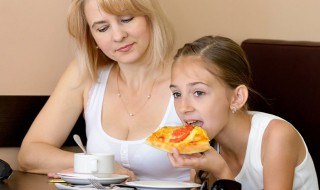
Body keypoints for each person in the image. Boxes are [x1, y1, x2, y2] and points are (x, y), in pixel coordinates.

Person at [18, 0, 191, 181]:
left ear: (150, 17)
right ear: (92, 38)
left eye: (126, 19)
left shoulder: (192, 79)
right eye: (102, 28)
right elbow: (30, 154)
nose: (118, 36)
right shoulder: (85, 74)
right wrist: (99, 166)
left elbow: (220, 165)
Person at [168, 35, 319, 189]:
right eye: (177, 94)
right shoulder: (206, 145)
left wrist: (222, 172)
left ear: (237, 97)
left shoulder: (277, 136)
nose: (183, 108)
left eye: (199, 92)